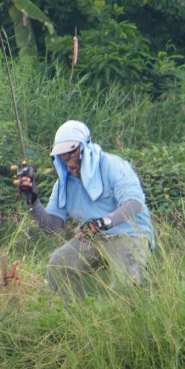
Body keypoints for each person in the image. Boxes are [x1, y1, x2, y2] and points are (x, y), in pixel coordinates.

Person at [18, 120, 154, 301]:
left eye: (72, 153)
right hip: (93, 239)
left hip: (130, 236)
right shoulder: (63, 184)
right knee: (59, 265)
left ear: (85, 148)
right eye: (63, 156)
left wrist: (102, 223)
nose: (69, 162)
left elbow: (134, 203)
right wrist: (32, 201)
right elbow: (51, 226)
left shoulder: (112, 165)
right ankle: (75, 321)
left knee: (125, 288)